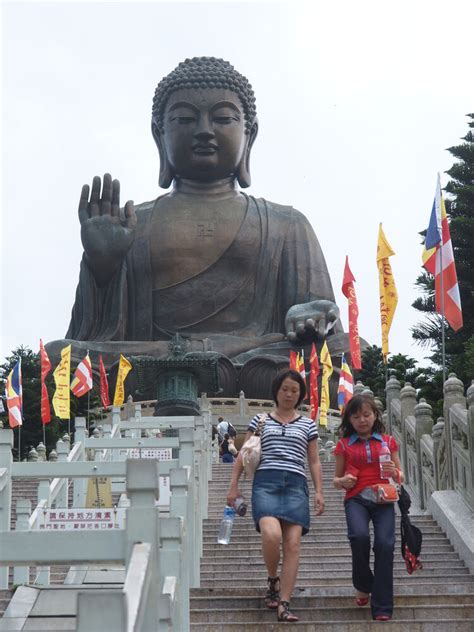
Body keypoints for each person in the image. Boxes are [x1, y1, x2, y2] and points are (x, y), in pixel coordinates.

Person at [48, 56, 355, 398]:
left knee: (345, 352)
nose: (205, 130)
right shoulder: (135, 224)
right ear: (158, 134)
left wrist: (312, 313)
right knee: (58, 355)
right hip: (162, 358)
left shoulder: (287, 224)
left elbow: (324, 320)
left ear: (248, 134)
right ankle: (192, 372)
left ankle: (197, 375)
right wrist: (102, 268)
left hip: (258, 358)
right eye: (184, 119)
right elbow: (93, 334)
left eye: (223, 118)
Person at [226, 369, 325, 622]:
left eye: (295, 390)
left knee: (292, 544)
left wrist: (319, 492)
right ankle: (273, 579)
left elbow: (313, 461)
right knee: (271, 534)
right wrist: (233, 485)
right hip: (266, 483)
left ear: (301, 394)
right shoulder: (260, 420)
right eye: (285, 389)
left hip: (295, 485)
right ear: (276, 391)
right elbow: (244, 453)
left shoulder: (308, 424)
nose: (289, 394)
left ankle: (285, 602)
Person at [333, 395, 405, 622]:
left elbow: (401, 476)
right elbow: (336, 479)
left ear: (375, 415)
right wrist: (343, 481)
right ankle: (363, 584)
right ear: (349, 420)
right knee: (359, 536)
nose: (362, 420)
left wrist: (395, 472)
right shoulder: (344, 445)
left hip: (383, 498)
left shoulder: (388, 441)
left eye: (366, 415)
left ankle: (382, 605)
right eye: (356, 416)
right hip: (356, 499)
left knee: (385, 545)